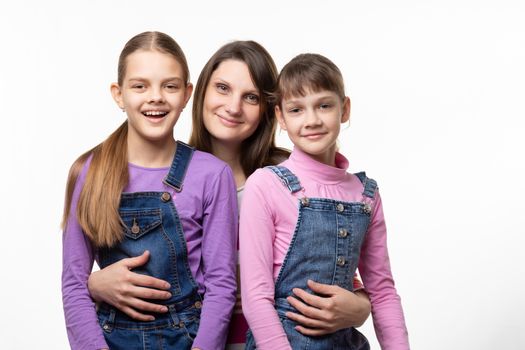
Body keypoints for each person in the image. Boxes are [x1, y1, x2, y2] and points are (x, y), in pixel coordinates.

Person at [87, 41, 373, 349]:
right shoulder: (173, 177)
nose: (234, 107)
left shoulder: (288, 178)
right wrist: (94, 284)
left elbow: (331, 258)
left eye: (250, 97)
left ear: (270, 110)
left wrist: (360, 306)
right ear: (197, 93)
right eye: (222, 88)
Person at [61, 31, 238, 350]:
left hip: (189, 340)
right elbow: (74, 285)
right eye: (140, 85)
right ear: (118, 94)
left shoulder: (212, 175)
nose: (155, 97)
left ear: (186, 94)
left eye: (169, 86)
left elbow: (221, 287)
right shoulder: (89, 172)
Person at [239, 53, 409, 349]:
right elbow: (256, 296)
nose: (312, 120)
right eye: (296, 110)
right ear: (280, 116)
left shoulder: (366, 194)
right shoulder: (266, 185)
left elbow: (381, 291)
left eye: (324, 105)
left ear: (345, 109)